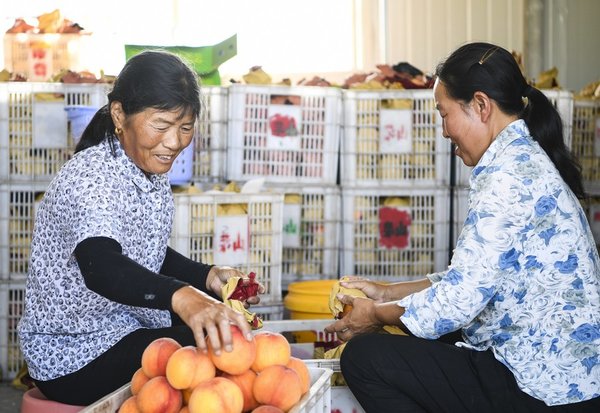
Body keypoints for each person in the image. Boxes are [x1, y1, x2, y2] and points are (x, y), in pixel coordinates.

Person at [325, 42, 600, 412]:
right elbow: (472, 277)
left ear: (481, 106)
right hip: (565, 375)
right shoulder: (520, 160)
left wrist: (375, 314)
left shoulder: (509, 177)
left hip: (544, 386)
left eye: (444, 114)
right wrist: (384, 293)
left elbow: (458, 300)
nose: (443, 131)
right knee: (426, 332)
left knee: (366, 358)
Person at [17, 50, 264, 406]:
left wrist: (206, 276)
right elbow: (101, 266)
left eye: (185, 128)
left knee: (230, 335)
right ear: (120, 115)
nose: (174, 142)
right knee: (219, 346)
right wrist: (183, 296)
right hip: (73, 353)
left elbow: (143, 251)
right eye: (161, 126)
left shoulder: (146, 168)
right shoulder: (92, 177)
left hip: (124, 330)